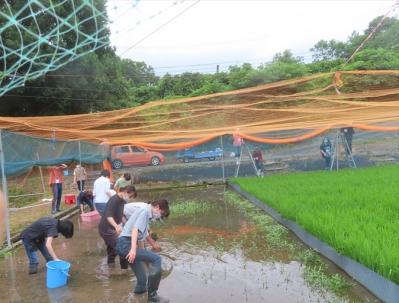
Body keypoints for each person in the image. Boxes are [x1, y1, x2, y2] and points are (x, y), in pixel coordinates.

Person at [116, 199, 170, 303]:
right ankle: (153, 297)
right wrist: (133, 250)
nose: (160, 216)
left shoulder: (146, 212)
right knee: (157, 259)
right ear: (158, 207)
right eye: (162, 213)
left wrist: (152, 245)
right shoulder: (145, 211)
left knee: (142, 280)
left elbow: (143, 235)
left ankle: (137, 296)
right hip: (125, 245)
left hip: (123, 245)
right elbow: (135, 229)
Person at [99, 185, 137, 269]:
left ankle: (111, 268)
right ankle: (124, 271)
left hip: (111, 228)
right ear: (126, 192)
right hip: (106, 229)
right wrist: (116, 226)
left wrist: (127, 224)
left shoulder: (122, 201)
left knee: (112, 250)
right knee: (122, 248)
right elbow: (108, 216)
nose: (129, 199)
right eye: (130, 196)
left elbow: (121, 214)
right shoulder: (114, 199)